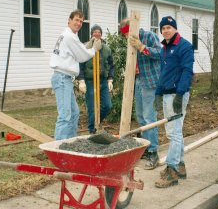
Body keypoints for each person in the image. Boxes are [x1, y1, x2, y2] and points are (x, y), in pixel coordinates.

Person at [49, 9, 102, 140]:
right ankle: (59, 150)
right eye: (76, 20)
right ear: (69, 20)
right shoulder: (69, 36)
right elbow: (82, 55)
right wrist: (94, 49)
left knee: (74, 113)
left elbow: (78, 50)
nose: (79, 23)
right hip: (62, 78)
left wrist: (88, 47)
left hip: (64, 78)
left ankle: (70, 143)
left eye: (81, 21)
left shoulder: (67, 35)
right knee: (65, 115)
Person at [155, 16, 194, 188]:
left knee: (174, 132)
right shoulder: (165, 47)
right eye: (163, 28)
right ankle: (180, 166)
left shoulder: (184, 46)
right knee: (175, 131)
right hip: (167, 94)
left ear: (175, 29)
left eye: (169, 27)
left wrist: (179, 94)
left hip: (176, 95)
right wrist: (157, 93)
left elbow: (187, 71)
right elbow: (163, 72)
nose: (166, 30)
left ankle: (172, 170)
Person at [119, 18, 162, 170]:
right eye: (124, 36)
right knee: (141, 117)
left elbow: (160, 53)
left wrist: (143, 47)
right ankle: (146, 147)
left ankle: (153, 152)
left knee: (150, 118)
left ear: (133, 29)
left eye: (126, 34)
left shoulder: (149, 36)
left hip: (151, 82)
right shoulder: (130, 40)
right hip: (138, 81)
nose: (126, 38)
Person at [77, 25, 115, 134]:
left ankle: (96, 124)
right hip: (90, 82)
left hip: (103, 81)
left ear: (101, 34)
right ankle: (91, 130)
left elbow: (112, 65)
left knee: (107, 106)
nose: (96, 34)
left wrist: (110, 79)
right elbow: (80, 65)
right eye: (94, 32)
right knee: (92, 108)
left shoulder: (106, 49)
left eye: (98, 32)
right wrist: (81, 80)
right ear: (91, 34)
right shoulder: (85, 48)